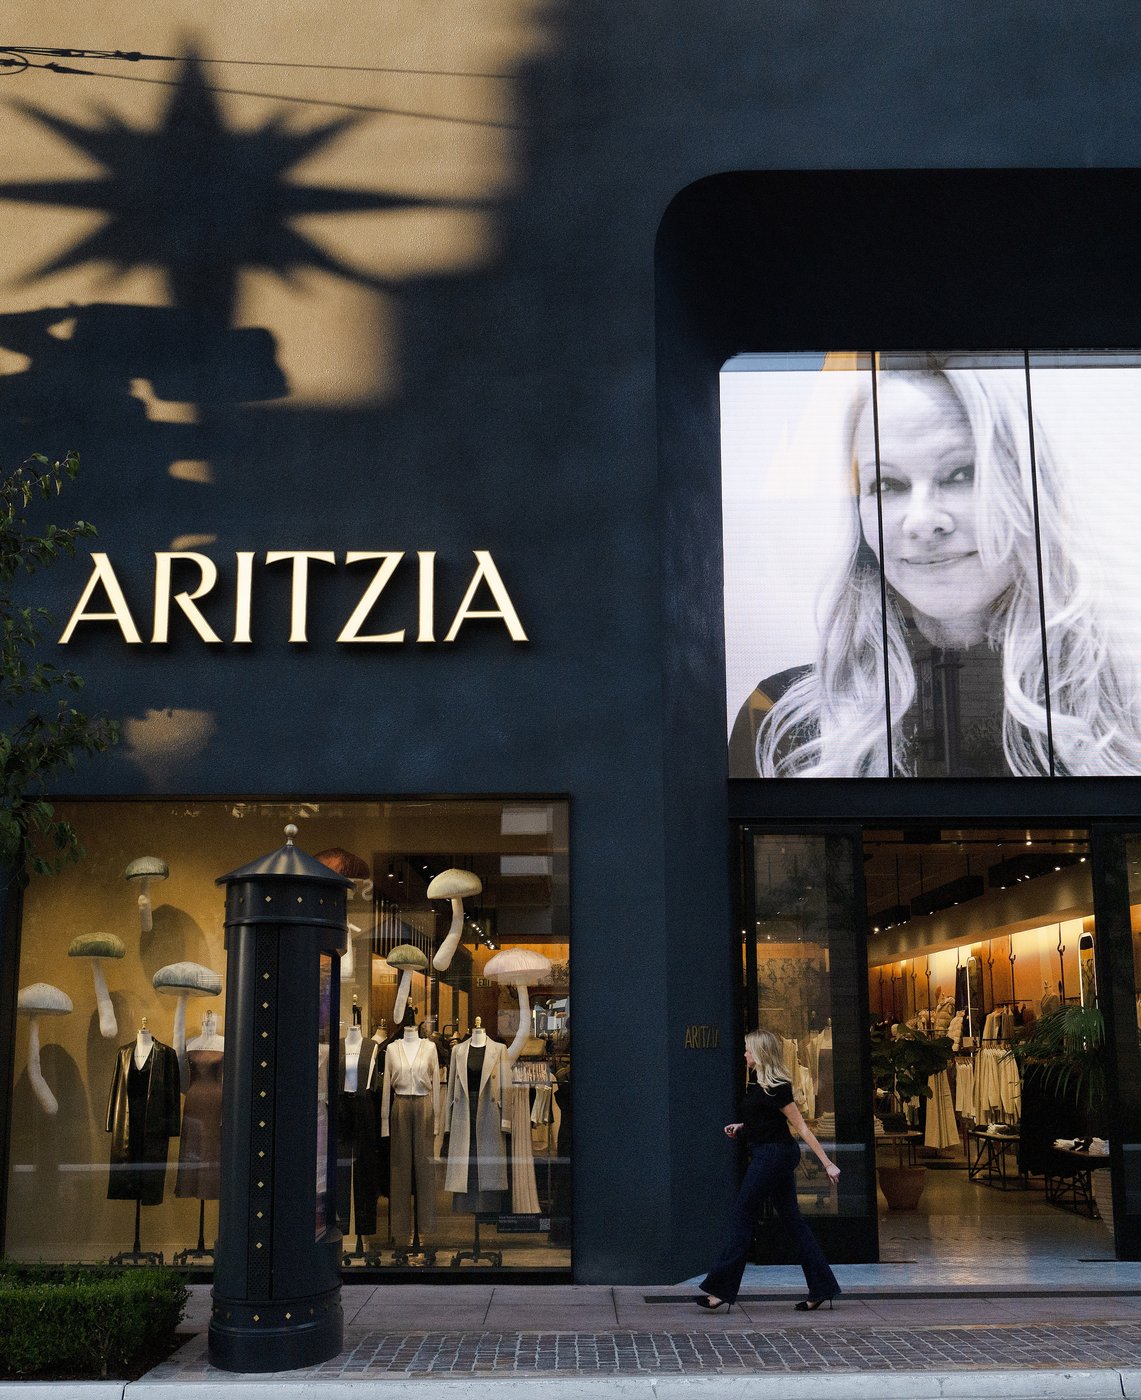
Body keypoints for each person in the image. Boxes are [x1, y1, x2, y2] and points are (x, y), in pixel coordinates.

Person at [729, 363, 1141, 778]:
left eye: (962, 474)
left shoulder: (1125, 712)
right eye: (887, 484)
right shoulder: (781, 719)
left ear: (1032, 494)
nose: (921, 521)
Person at [696, 1029, 841, 1313]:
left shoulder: (778, 1087)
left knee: (741, 1215)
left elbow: (800, 1128)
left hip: (773, 1157)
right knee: (792, 1221)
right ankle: (822, 1286)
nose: (745, 1054)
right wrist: (743, 1127)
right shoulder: (757, 1086)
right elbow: (765, 1121)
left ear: (760, 1053)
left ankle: (719, 1290)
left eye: (748, 1049)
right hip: (771, 1153)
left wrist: (827, 1163)